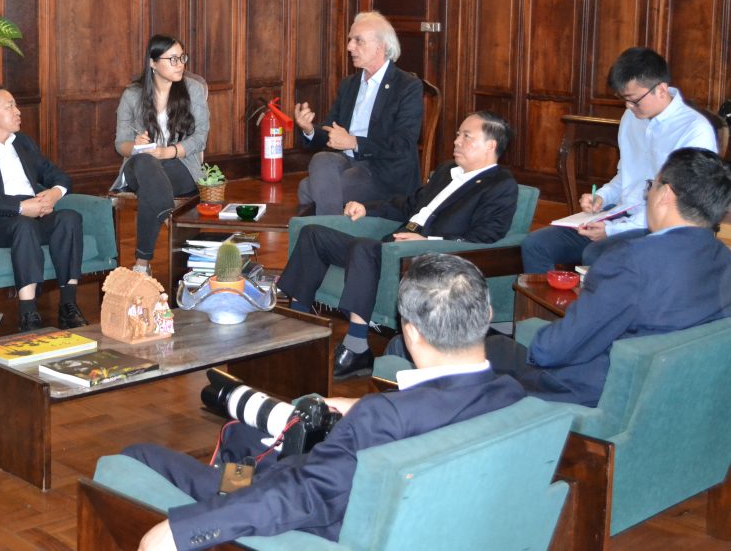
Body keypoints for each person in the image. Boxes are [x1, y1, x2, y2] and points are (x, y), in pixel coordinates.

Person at [124, 253, 525, 551]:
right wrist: (360, 411)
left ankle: (224, 487)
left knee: (140, 455)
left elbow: (301, 494)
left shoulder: (381, 418)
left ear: (411, 333)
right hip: (398, 502)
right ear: (486, 314)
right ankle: (233, 474)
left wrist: (184, 531)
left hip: (302, 516)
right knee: (244, 438)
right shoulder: (512, 395)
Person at [281, 111, 518, 378]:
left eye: (466, 136)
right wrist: (367, 209)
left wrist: (428, 241)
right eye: (457, 134)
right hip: (391, 247)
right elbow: (408, 205)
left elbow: (487, 236)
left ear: (490, 145)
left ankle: (357, 348)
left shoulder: (500, 185)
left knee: (363, 248)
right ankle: (297, 329)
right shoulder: (446, 172)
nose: (456, 141)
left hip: (422, 256)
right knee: (313, 234)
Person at [487, 148, 731, 407]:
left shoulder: (629, 261)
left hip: (597, 394)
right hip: (675, 393)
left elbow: (552, 350)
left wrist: (536, 342)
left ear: (665, 195)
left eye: (651, 185)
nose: (648, 194)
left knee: (489, 351)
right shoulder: (723, 258)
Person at [521, 47, 716, 273]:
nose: (628, 107)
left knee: (596, 254)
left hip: (661, 225)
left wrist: (613, 230)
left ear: (661, 89)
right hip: (620, 213)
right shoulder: (631, 118)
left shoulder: (694, 130)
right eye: (624, 99)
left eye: (634, 100)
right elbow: (626, 174)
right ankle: (556, 297)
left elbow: (679, 204)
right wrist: (602, 197)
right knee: (536, 245)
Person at [0, 85, 88, 332]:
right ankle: (28, 313)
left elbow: (58, 175)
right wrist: (21, 207)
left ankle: (68, 305)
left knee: (69, 218)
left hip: (33, 214)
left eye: (15, 105)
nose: (18, 111)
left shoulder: (22, 143)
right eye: (10, 106)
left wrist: (54, 193)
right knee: (23, 225)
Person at [294, 11, 423, 215]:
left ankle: (328, 230)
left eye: (358, 41)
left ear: (380, 46)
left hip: (383, 171)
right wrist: (309, 129)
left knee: (307, 188)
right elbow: (332, 130)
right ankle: (332, 229)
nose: (349, 47)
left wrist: (354, 143)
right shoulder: (350, 84)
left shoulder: (407, 86)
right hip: (347, 162)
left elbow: (402, 144)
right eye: (350, 40)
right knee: (322, 159)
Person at [111, 35, 210, 276]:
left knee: (151, 186)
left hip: (180, 166)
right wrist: (135, 146)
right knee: (146, 163)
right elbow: (120, 144)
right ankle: (167, 215)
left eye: (182, 58)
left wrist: (167, 152)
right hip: (139, 167)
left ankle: (142, 264)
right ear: (153, 63)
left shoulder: (193, 90)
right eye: (172, 59)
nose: (180, 64)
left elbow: (200, 138)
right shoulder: (132, 95)